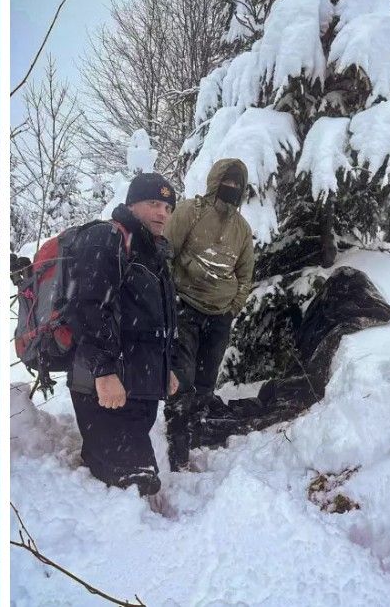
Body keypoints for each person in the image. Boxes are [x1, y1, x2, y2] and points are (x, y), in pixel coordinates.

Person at [66, 172, 179, 496]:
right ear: (132, 204)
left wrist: (165, 369)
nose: (162, 213)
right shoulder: (108, 238)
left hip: (137, 389)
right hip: (104, 390)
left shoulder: (154, 255)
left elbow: (154, 322)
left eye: (168, 208)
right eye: (154, 203)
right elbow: (87, 308)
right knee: (136, 484)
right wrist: (103, 371)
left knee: (140, 479)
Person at [161, 158, 253, 470]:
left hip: (219, 316)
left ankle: (195, 427)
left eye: (237, 184)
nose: (232, 188)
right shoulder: (191, 210)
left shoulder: (242, 229)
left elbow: (245, 274)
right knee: (182, 379)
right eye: (227, 181)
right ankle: (177, 439)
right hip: (185, 307)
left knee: (205, 380)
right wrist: (170, 298)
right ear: (215, 181)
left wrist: (233, 307)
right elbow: (166, 251)